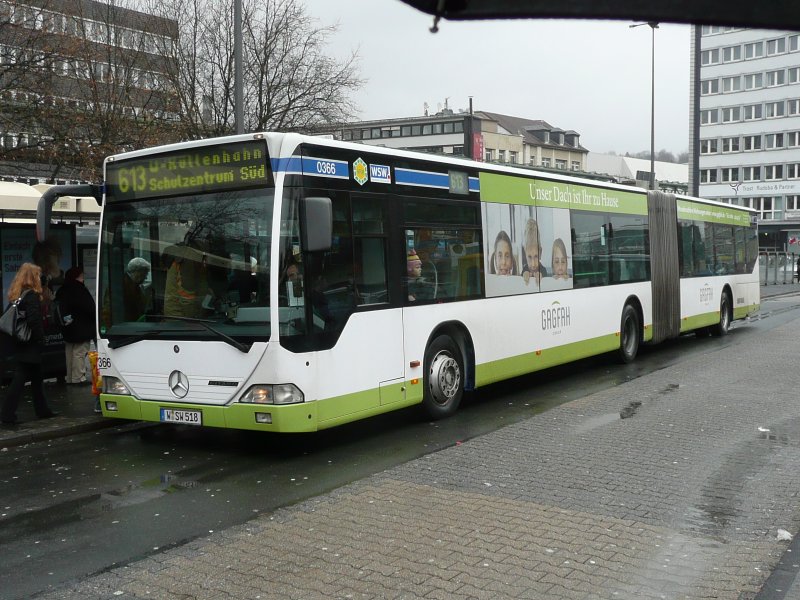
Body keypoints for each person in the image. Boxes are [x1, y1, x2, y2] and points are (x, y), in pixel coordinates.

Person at [1, 263, 59, 426]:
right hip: (30, 343)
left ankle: (42, 410)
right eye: (38, 275)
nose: (41, 278)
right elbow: (34, 320)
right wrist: (41, 338)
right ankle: (7, 414)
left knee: (37, 377)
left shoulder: (17, 293)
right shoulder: (31, 295)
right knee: (20, 378)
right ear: (33, 277)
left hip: (21, 341)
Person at [55, 266, 96, 384]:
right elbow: (89, 307)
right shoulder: (79, 289)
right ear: (77, 276)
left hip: (68, 327)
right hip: (81, 327)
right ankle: (78, 378)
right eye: (81, 275)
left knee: (70, 352)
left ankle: (70, 377)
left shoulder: (63, 289)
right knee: (80, 352)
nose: (83, 277)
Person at [521, 218, 547, 285]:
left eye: (536, 256)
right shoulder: (524, 270)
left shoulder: (544, 271)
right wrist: (523, 275)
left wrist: (542, 276)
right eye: (529, 257)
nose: (533, 264)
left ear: (540, 252)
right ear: (525, 253)